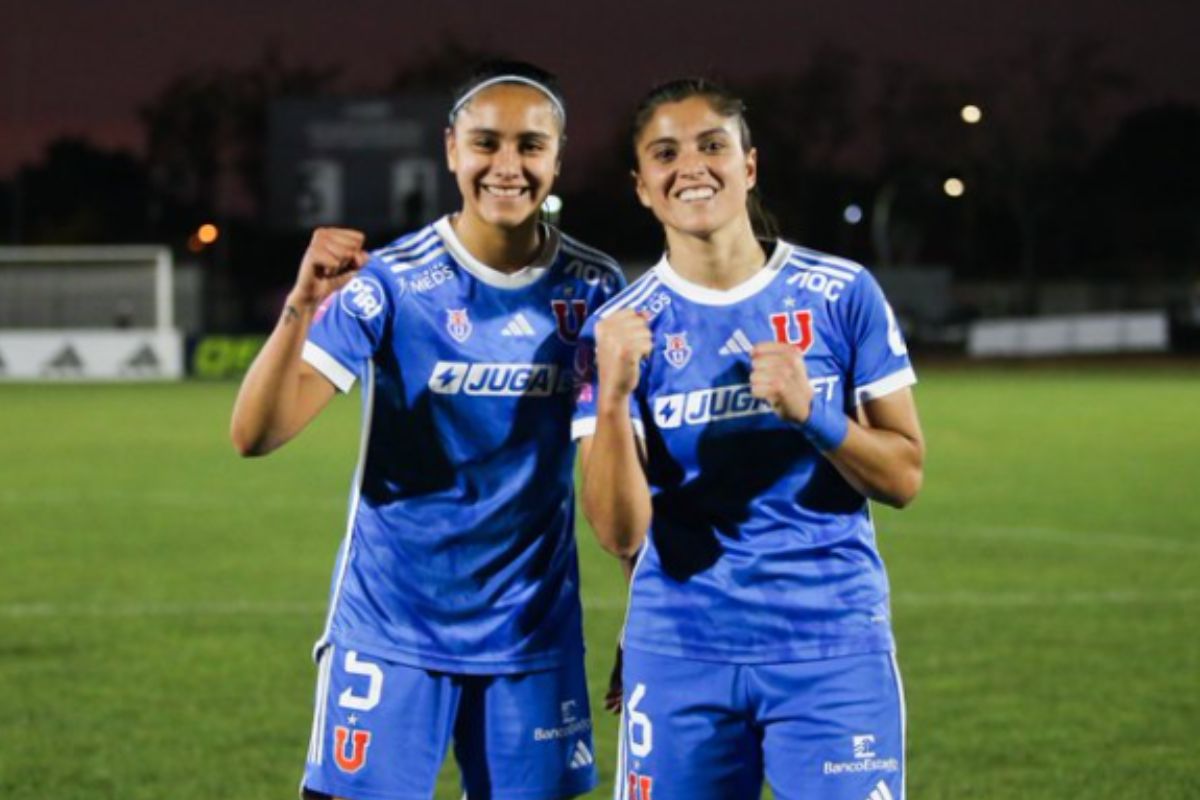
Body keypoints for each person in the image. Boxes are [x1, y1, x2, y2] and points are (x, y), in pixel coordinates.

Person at [230, 61, 625, 800]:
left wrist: (644, 611)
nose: (507, 166)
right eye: (486, 143)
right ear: (451, 149)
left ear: (559, 156)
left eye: (531, 146)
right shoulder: (390, 282)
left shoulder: (595, 290)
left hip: (532, 640)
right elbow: (256, 433)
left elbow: (622, 481)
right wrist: (300, 302)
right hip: (391, 629)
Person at [573, 78, 925, 800]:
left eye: (712, 145)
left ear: (749, 165)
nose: (692, 166)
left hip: (831, 648)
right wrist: (611, 395)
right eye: (665, 154)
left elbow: (903, 478)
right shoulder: (615, 330)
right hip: (681, 651)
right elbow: (617, 532)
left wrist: (814, 414)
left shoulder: (842, 292)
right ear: (642, 187)